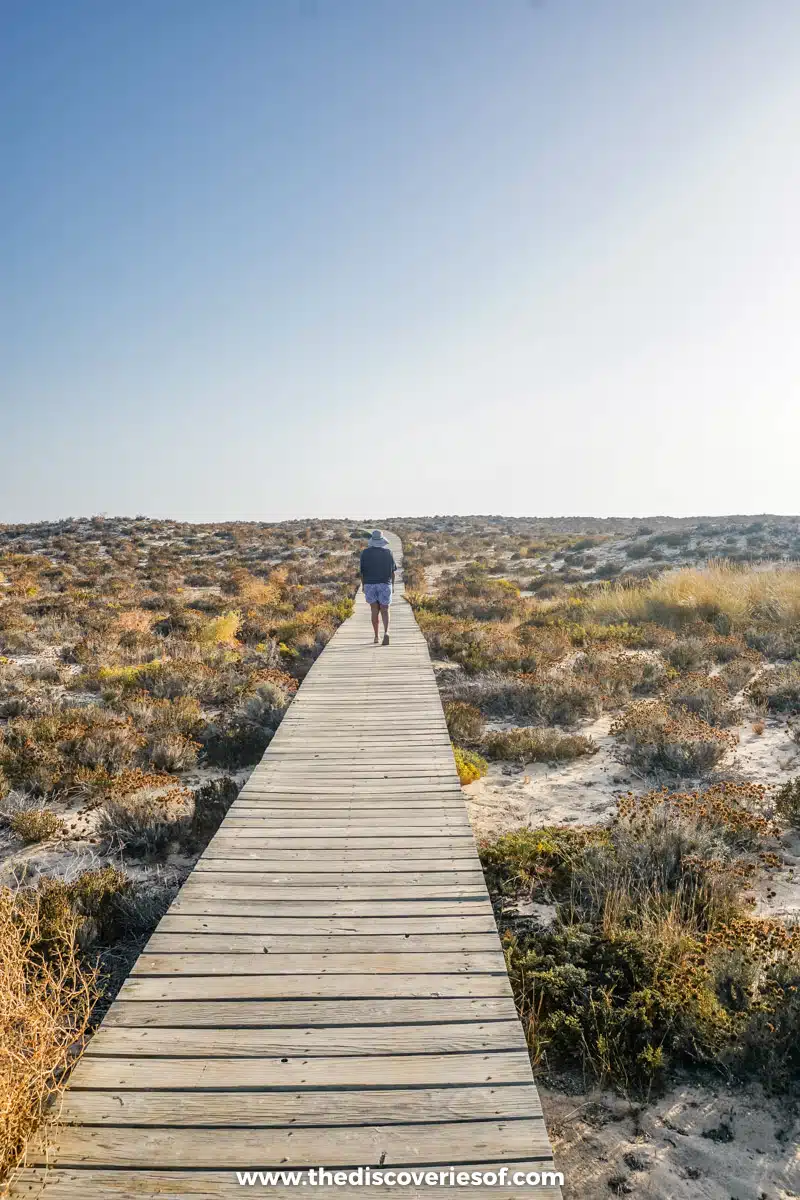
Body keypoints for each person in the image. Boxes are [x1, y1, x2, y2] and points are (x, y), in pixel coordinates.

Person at [359, 529, 396, 645]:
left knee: (374, 610)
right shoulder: (388, 553)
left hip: (370, 584)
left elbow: (362, 572)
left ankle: (376, 636)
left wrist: (363, 585)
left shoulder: (364, 553)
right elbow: (393, 571)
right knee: (385, 609)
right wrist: (392, 585)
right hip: (385, 584)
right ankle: (386, 632)